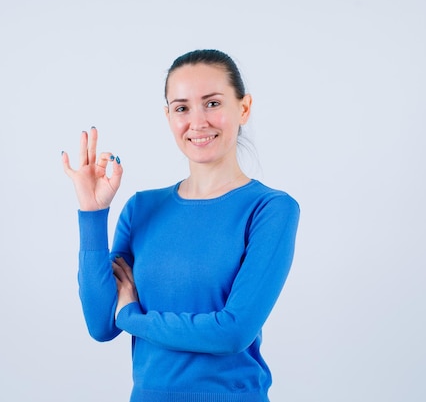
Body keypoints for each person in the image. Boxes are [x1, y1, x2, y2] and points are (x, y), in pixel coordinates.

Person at [62, 49, 300, 402]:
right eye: (182, 107)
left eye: (213, 103)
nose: (198, 121)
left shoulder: (270, 209)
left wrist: (132, 316)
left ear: (244, 108)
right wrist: (92, 213)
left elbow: (232, 332)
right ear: (169, 116)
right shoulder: (142, 207)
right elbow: (101, 324)